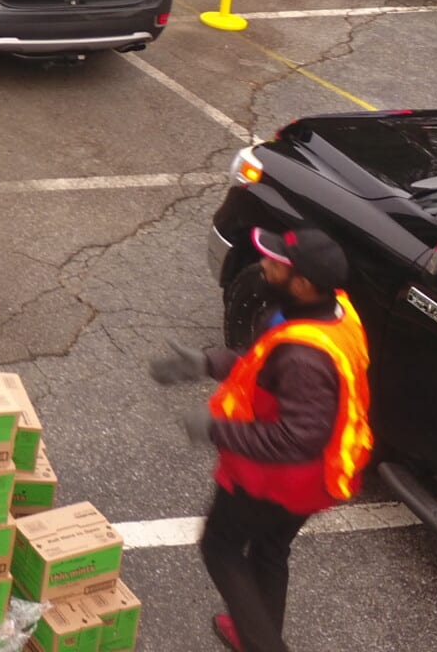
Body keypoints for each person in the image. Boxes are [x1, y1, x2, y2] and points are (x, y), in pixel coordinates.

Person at [150, 226, 371, 652]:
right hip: (316, 479)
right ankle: (253, 632)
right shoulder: (332, 312)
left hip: (275, 481)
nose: (263, 267)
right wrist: (206, 363)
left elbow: (296, 437)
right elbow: (263, 366)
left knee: (221, 547)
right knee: (270, 549)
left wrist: (214, 428)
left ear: (303, 284)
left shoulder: (306, 358)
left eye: (275, 265)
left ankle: (264, 644)